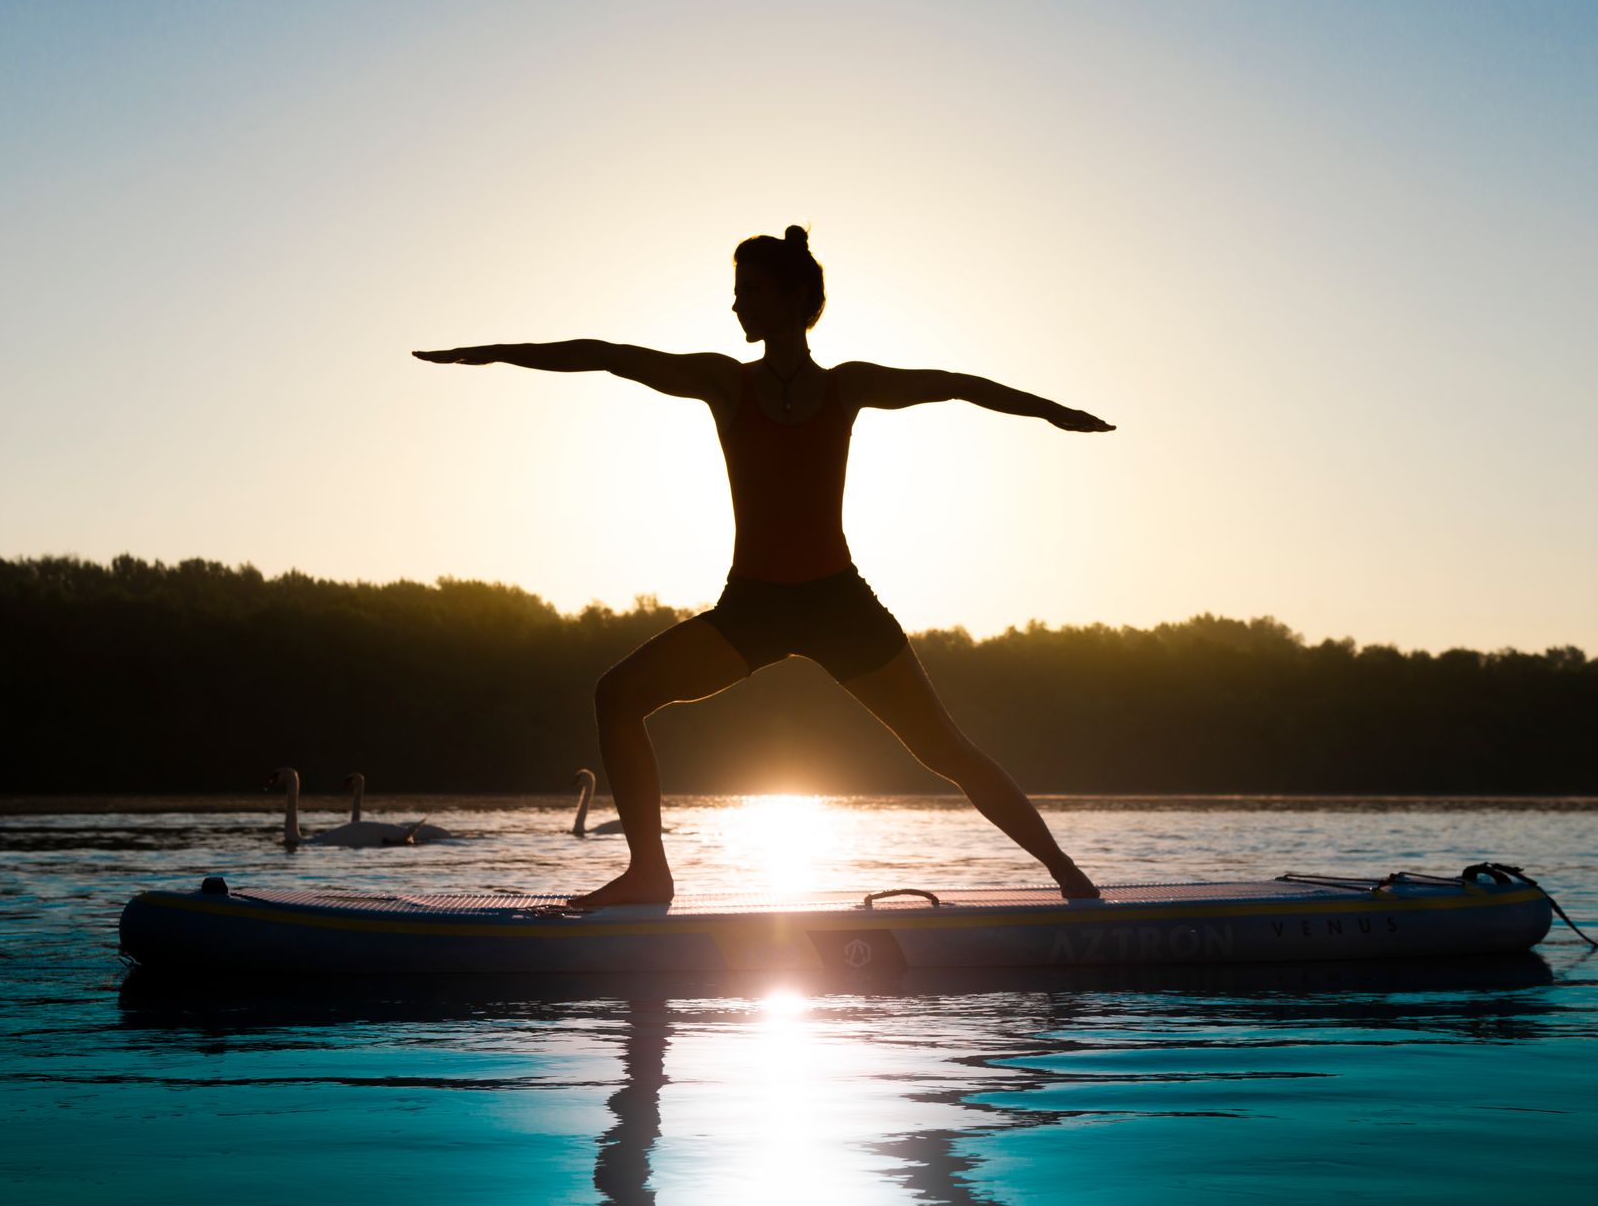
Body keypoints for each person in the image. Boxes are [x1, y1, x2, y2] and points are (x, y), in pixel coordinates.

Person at [415, 226, 1114, 906]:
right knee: (617, 695)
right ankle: (649, 873)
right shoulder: (724, 382)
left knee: (946, 750)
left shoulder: (848, 387)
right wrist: (490, 352)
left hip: (840, 605)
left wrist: (1054, 411)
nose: (735, 305)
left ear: (787, 298)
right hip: (751, 609)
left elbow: (955, 384)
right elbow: (609, 354)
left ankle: (1069, 875)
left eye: (747, 291)